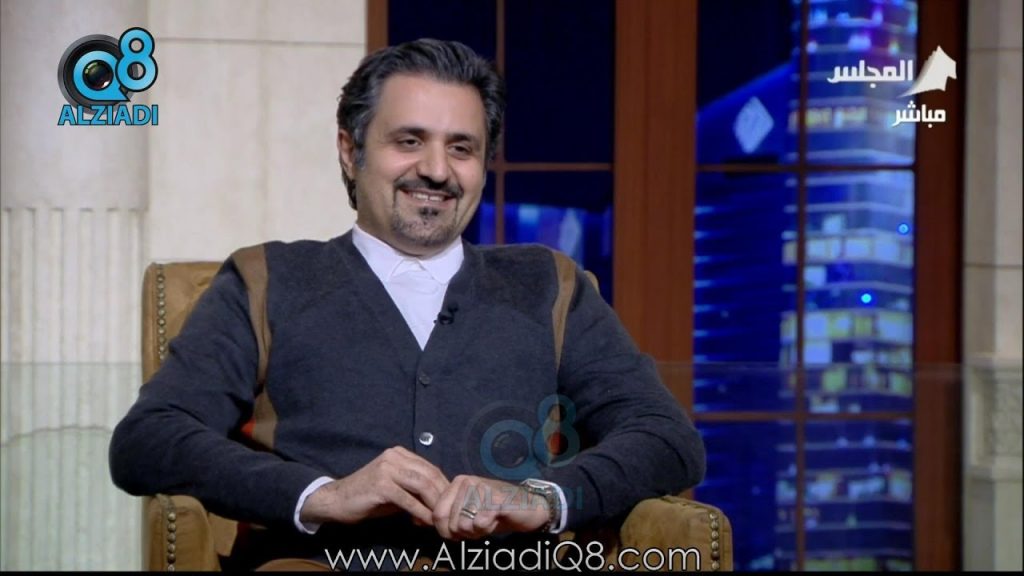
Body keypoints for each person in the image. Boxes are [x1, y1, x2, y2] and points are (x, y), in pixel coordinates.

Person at [109, 38, 705, 571]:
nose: (436, 170)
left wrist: (542, 498)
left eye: (461, 148)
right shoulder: (265, 279)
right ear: (351, 151)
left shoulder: (549, 284)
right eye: (409, 141)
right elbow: (148, 439)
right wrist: (322, 495)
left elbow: (666, 437)